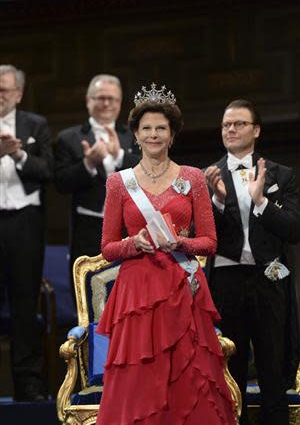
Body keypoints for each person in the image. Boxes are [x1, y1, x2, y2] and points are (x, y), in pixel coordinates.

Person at [95, 83, 236, 425]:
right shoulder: (119, 182)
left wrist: (181, 244)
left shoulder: (192, 178)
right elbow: (108, 246)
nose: (154, 134)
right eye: (147, 128)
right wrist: (134, 244)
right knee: (140, 378)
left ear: (172, 135)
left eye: (161, 128)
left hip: (182, 288)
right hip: (136, 293)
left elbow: (209, 242)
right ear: (136, 135)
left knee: (188, 377)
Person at [205, 99, 300, 425]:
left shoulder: (282, 175)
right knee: (230, 370)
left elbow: (294, 230)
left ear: (256, 130)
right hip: (225, 279)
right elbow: (201, 235)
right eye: (226, 125)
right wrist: (217, 200)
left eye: (239, 123)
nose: (231, 129)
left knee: (273, 369)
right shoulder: (207, 177)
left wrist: (261, 202)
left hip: (271, 277)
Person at [54, 74, 139, 291]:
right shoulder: (68, 138)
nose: (106, 103)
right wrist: (89, 163)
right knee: (89, 294)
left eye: (113, 99)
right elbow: (61, 183)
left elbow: (148, 173)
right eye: (100, 97)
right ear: (88, 100)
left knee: (129, 295)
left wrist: (119, 155)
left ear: (120, 103)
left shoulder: (134, 135)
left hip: (130, 229)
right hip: (88, 231)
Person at [0, 64, 53, 400]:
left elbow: (48, 170)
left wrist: (18, 153)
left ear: (18, 93)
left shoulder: (36, 125)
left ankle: (29, 384)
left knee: (24, 303)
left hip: (24, 223)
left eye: (4, 90)